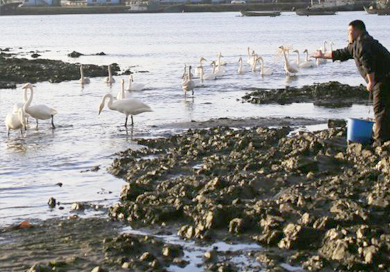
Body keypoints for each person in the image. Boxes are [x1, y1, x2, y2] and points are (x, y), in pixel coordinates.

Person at [312, 20, 390, 145]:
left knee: (380, 108)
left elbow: (368, 63)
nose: (348, 34)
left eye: (350, 31)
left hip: (384, 78)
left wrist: (370, 82)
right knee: (385, 108)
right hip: (382, 78)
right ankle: (385, 136)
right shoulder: (356, 44)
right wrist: (322, 55)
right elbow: (342, 53)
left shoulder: (363, 43)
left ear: (358, 31)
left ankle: (381, 140)